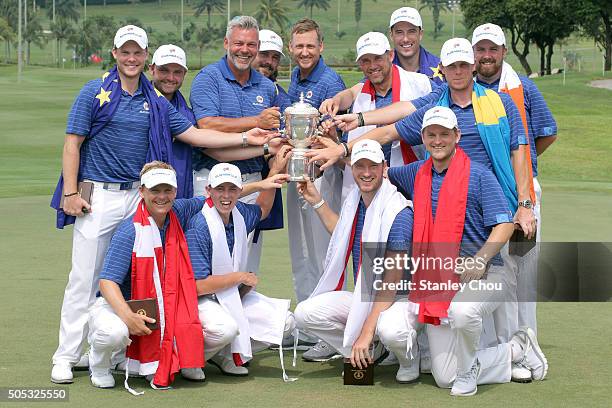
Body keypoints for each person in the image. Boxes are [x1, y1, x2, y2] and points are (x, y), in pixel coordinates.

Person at [49, 24, 273, 384]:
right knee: (85, 277)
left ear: (145, 57)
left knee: (137, 276)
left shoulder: (153, 102)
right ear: (115, 54)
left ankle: (113, 351)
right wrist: (71, 193)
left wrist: (251, 139)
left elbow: (195, 135)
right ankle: (67, 354)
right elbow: (72, 143)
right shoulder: (95, 93)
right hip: (100, 196)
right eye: (126, 52)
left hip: (140, 195)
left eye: (138, 52)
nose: (132, 58)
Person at [378, 106, 547, 396]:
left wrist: (480, 259)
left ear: (457, 135)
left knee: (463, 311)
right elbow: (376, 173)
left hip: (488, 274)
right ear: (423, 138)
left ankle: (469, 370)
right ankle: (516, 349)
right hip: (437, 282)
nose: (438, 140)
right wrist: (339, 149)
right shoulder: (415, 173)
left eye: (445, 134)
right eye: (431, 134)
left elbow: (505, 225)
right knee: (444, 378)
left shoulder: (480, 176)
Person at [294, 140, 416, 382]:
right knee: (305, 313)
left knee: (391, 331)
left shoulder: (398, 212)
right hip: (368, 295)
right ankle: (371, 349)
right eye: (360, 166)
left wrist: (366, 331)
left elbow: (390, 286)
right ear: (353, 169)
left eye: (373, 166)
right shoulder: (356, 201)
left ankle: (410, 359)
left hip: (401, 300)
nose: (367, 173)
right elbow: (342, 234)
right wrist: (316, 200)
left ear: (384, 167)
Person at [471, 22, 557, 339]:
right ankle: (497, 345)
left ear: (504, 52)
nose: (487, 55)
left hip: (522, 194)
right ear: (473, 53)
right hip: (483, 195)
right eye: (481, 49)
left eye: (493, 49)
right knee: (492, 271)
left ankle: (526, 343)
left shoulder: (523, 87)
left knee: (523, 273)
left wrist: (523, 166)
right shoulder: (464, 87)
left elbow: (546, 133)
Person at [88, 162, 205, 390]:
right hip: (118, 306)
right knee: (114, 333)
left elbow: (215, 197)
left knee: (199, 327)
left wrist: (261, 184)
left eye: (167, 190)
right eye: (154, 191)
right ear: (141, 191)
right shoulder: (129, 230)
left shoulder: (177, 212)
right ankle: (99, 364)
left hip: (160, 305)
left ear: (175, 191)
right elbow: (107, 282)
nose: (161, 197)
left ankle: (134, 359)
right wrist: (128, 316)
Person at [185, 158, 296, 380]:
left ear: (240, 191)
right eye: (220, 189)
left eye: (232, 189)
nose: (226, 196)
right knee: (224, 329)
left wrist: (273, 173)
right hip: (200, 301)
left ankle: (224, 354)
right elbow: (196, 287)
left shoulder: (241, 213)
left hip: (230, 295)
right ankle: (192, 359)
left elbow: (263, 209)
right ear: (209, 190)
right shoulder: (199, 225)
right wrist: (239, 278)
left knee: (286, 322)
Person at [189, 16, 282, 275]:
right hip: (211, 178)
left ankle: (242, 313)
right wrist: (256, 121)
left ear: (258, 46)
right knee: (208, 258)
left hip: (251, 179)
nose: (245, 50)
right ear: (226, 43)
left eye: (251, 45)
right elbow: (207, 124)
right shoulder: (208, 78)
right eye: (239, 43)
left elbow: (271, 137)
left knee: (246, 263)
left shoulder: (266, 86)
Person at [286, 18, 347, 360]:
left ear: (321, 47)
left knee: (325, 252)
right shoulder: (296, 77)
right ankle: (308, 325)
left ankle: (328, 328)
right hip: (298, 174)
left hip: (323, 175)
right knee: (302, 252)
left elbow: (333, 137)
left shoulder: (329, 81)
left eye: (311, 45)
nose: (305, 51)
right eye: (299, 46)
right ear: (290, 49)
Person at [319, 32, 431, 199]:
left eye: (377, 58)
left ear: (391, 55)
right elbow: (349, 93)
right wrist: (335, 100)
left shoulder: (420, 84)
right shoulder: (361, 93)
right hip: (369, 186)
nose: (372, 66)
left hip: (409, 181)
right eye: (365, 61)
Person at [149, 44, 195, 199]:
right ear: (152, 69)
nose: (170, 78)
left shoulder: (188, 114)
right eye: (164, 70)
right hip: (139, 193)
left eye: (177, 72)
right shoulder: (136, 104)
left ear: (185, 74)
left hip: (178, 194)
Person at [388, 7, 443, 85]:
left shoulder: (442, 69)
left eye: (411, 32)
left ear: (420, 34)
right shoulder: (383, 70)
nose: (405, 39)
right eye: (399, 32)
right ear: (391, 35)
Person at [252, 28, 291, 112]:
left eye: (275, 57)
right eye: (264, 54)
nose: (269, 61)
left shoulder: (281, 97)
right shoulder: (228, 85)